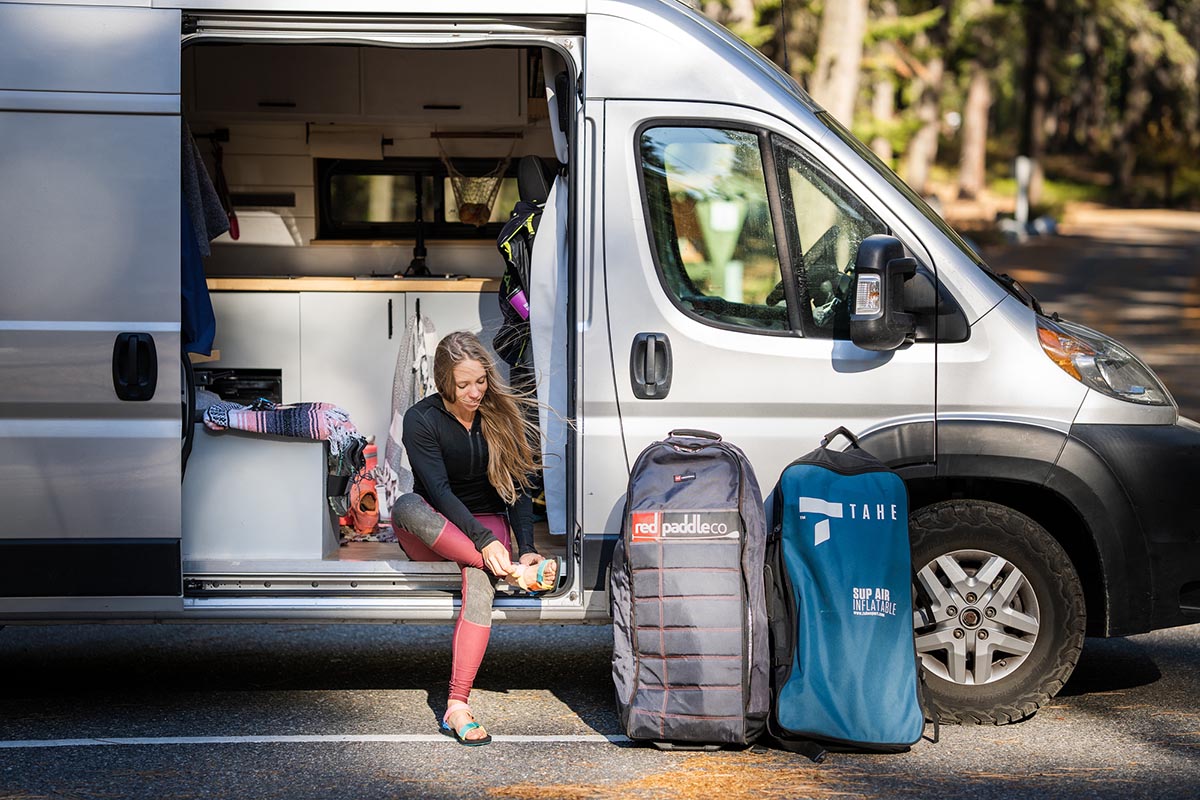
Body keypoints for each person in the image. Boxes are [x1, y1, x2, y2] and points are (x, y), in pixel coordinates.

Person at [390, 330, 558, 747]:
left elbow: (518, 486)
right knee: (406, 505)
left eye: (480, 381)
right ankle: (512, 574)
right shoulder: (421, 418)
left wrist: (528, 548)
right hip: (436, 528)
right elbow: (440, 491)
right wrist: (485, 543)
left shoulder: (499, 413)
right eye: (463, 384)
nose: (474, 391)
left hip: (490, 536)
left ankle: (457, 706)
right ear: (443, 382)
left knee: (479, 585)